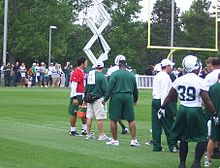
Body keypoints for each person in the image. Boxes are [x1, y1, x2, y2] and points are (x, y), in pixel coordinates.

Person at [160, 55, 216, 168]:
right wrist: (214, 113)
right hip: (195, 109)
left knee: (183, 137)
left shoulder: (179, 79)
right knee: (202, 137)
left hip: (182, 109)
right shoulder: (200, 81)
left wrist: (162, 107)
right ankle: (196, 163)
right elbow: (206, 99)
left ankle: (182, 164)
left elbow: (170, 96)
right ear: (196, 67)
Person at [104, 58, 140, 147]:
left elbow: (110, 88)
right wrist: (135, 100)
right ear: (126, 66)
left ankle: (115, 140)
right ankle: (133, 140)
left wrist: (105, 99)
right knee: (131, 119)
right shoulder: (131, 75)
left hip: (116, 96)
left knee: (113, 118)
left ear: (119, 66)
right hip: (128, 96)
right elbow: (135, 90)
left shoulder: (114, 74)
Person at [151, 58, 178, 152]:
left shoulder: (158, 75)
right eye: (171, 66)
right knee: (168, 124)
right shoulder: (166, 77)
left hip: (155, 100)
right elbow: (164, 93)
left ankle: (156, 145)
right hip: (163, 102)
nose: (172, 68)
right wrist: (163, 107)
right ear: (167, 66)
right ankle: (172, 146)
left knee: (156, 125)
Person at [84, 60, 109, 140]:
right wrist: (105, 99)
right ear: (102, 67)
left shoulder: (90, 75)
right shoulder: (102, 77)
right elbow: (105, 89)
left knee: (89, 117)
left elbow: (86, 88)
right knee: (99, 118)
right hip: (98, 98)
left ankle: (88, 134)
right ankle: (101, 135)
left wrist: (85, 98)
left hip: (89, 98)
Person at [106, 55, 129, 134]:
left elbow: (108, 83)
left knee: (114, 113)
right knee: (129, 116)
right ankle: (126, 129)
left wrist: (106, 95)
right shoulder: (128, 70)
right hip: (127, 94)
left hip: (115, 94)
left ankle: (115, 137)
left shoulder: (111, 70)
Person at [68, 57, 88, 136]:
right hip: (77, 94)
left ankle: (84, 129)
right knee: (74, 112)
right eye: (86, 62)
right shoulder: (76, 72)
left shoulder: (82, 71)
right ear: (82, 63)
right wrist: (74, 98)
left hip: (82, 94)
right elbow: (73, 85)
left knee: (83, 111)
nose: (87, 64)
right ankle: (72, 130)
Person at [204, 73, 220, 167]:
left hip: (214, 116)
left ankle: (208, 160)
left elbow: (207, 102)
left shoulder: (212, 88)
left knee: (212, 139)